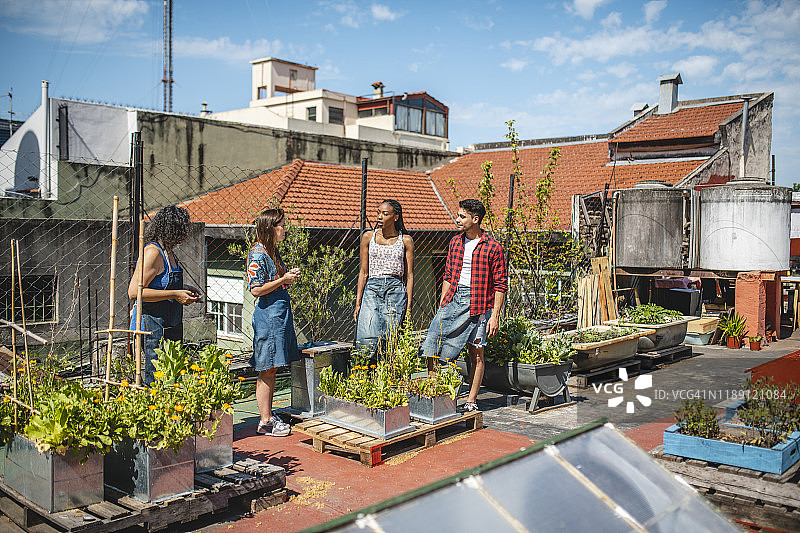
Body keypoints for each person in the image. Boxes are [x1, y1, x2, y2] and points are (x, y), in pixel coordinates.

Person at [421, 199, 507, 412]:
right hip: (453, 299)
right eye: (457, 215)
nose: (457, 219)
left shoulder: (493, 247)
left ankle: (471, 400)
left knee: (476, 353)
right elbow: (448, 274)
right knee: (433, 341)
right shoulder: (455, 242)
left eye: (462, 216)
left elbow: (500, 284)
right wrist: (443, 303)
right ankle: (434, 392)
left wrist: (495, 315)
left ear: (475, 219)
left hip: (479, 305)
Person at [129, 205, 200, 385]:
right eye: (181, 229)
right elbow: (134, 291)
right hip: (152, 325)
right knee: (156, 377)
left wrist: (185, 289)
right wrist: (176, 293)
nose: (184, 234)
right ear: (172, 229)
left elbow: (162, 284)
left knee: (172, 374)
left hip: (171, 323)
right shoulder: (153, 252)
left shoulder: (169, 252)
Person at [247, 208, 301, 437]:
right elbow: (256, 289)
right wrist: (282, 279)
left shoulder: (271, 252)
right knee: (267, 368)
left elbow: (274, 282)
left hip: (279, 315)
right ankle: (265, 421)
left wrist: (286, 279)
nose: (285, 230)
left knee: (273, 366)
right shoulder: (258, 255)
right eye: (281, 225)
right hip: (269, 318)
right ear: (270, 227)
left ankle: (268, 415)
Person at [353, 199, 415, 356]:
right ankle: (364, 374)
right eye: (378, 212)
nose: (380, 217)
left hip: (395, 290)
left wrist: (408, 308)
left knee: (390, 337)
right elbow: (363, 272)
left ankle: (388, 374)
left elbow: (409, 276)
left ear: (395, 217)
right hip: (372, 289)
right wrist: (358, 302)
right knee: (366, 334)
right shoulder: (368, 237)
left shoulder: (406, 240)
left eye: (385, 213)